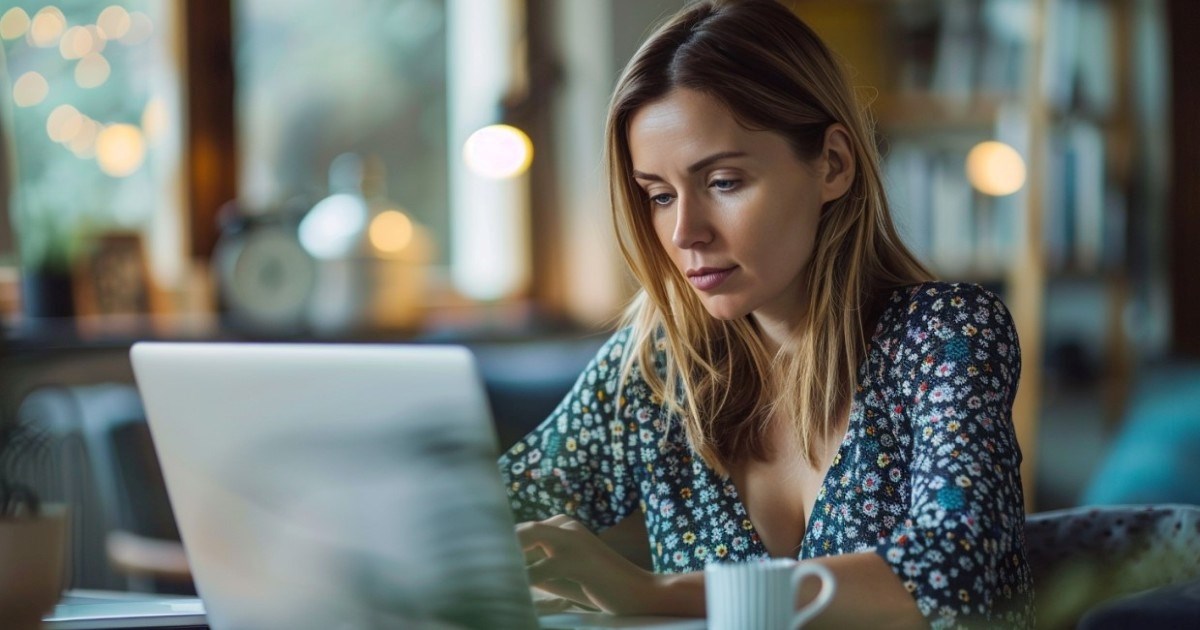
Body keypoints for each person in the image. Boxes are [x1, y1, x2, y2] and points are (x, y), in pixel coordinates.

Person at [498, 0, 1033, 627]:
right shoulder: (655, 367)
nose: (684, 233)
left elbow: (954, 572)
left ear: (832, 164)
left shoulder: (947, 335)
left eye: (723, 182)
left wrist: (656, 594)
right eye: (659, 195)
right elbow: (472, 521)